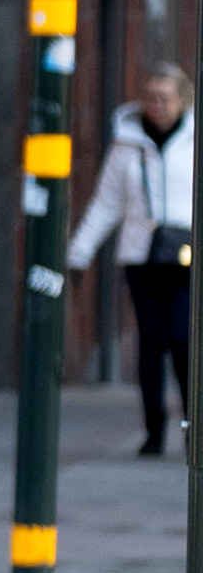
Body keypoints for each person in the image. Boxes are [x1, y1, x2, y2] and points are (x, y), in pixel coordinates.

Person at [65, 60, 196, 455]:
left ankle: (193, 429)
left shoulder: (194, 139)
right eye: (150, 97)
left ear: (183, 101)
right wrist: (80, 251)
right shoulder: (127, 142)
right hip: (141, 257)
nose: (156, 105)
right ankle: (153, 431)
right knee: (151, 343)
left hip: (187, 258)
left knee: (184, 340)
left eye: (165, 98)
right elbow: (107, 203)